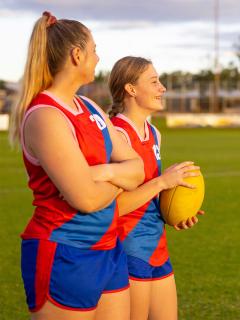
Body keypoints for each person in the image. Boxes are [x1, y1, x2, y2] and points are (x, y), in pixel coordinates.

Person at [9, 12, 145, 320]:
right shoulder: (46, 116)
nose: (98, 57)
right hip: (64, 252)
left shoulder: (91, 107)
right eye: (95, 49)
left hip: (109, 248)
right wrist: (120, 177)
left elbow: (138, 168)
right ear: (77, 54)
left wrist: (104, 173)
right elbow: (86, 199)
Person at [108, 56, 204, 320]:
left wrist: (175, 210)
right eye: (154, 81)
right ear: (131, 89)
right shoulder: (117, 136)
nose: (162, 88)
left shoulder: (154, 133)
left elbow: (150, 196)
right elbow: (111, 208)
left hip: (157, 247)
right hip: (128, 249)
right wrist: (163, 182)